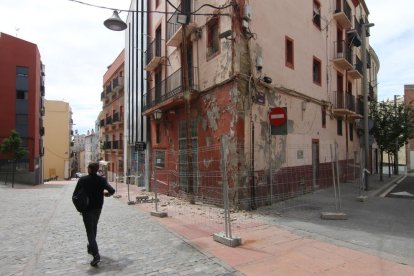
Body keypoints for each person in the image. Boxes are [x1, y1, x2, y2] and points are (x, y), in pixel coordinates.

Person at [73, 162, 115, 267]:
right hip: (98, 208)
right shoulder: (101, 179)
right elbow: (112, 191)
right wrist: (106, 194)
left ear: (90, 169)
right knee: (94, 227)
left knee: (90, 232)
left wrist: (79, 206)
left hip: (87, 209)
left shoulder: (83, 180)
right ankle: (91, 247)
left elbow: (75, 195)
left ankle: (96, 255)